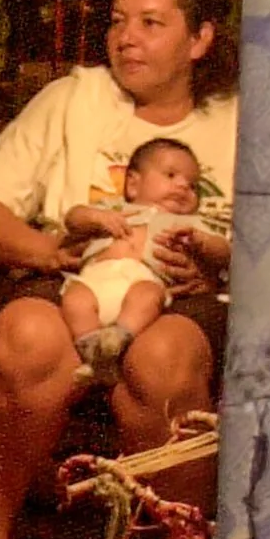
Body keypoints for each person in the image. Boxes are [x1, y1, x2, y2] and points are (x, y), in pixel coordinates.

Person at [0, 0, 238, 539]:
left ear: (199, 40)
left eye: (150, 22)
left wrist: (226, 265)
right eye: (117, 22)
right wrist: (49, 250)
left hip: (181, 295)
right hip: (74, 278)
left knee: (163, 360)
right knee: (25, 339)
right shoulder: (73, 100)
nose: (126, 38)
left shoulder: (239, 124)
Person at [57, 134, 210, 380]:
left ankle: (119, 337)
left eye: (193, 186)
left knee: (148, 295)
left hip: (142, 279)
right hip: (94, 279)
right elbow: (73, 218)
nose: (183, 186)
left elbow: (222, 248)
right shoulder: (113, 210)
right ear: (133, 184)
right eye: (171, 175)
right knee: (75, 299)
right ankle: (90, 349)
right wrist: (96, 218)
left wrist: (203, 242)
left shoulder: (187, 224)